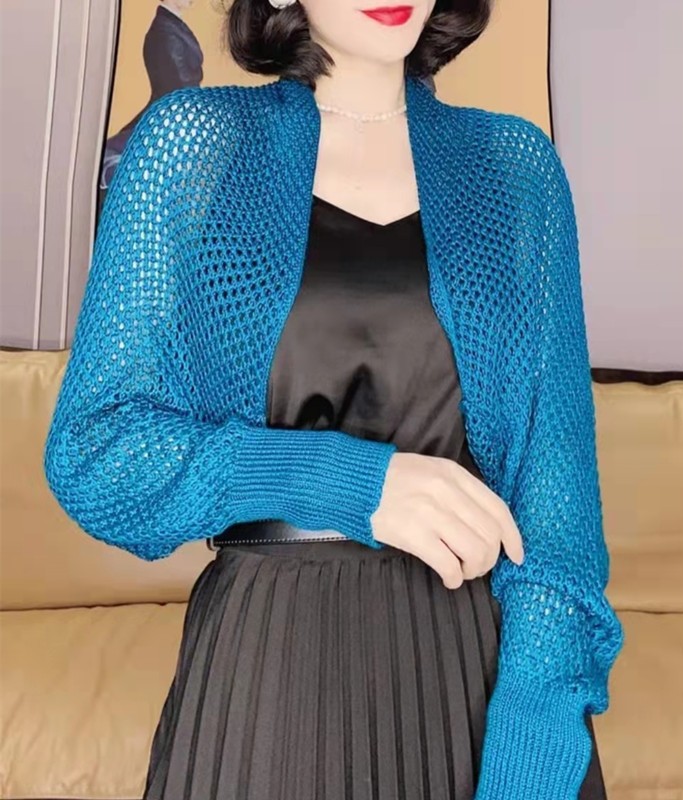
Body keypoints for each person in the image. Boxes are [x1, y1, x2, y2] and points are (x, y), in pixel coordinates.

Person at [43, 0, 625, 798]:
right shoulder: (193, 146)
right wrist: (350, 482)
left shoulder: (513, 167)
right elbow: (96, 451)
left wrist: (535, 736)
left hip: (473, 664)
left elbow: (560, 507)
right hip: (269, 664)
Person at [100, 0, 203, 197]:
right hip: (169, 115)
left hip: (178, 112)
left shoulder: (175, 26)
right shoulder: (164, 31)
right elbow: (178, 84)